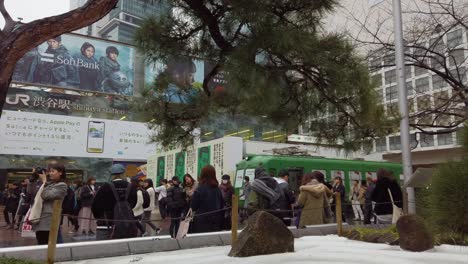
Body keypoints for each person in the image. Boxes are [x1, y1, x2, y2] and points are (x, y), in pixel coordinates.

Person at [92, 164, 138, 240]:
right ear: (123, 174)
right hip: (126, 224)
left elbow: (95, 206)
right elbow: (133, 204)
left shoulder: (105, 187)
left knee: (104, 249)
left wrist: (99, 217)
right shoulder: (131, 186)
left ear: (111, 174)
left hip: (106, 224)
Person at [33, 164, 68, 245]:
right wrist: (32, 180)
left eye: (53, 171)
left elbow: (46, 196)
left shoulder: (62, 185)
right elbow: (31, 192)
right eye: (49, 171)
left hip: (49, 221)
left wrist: (44, 182)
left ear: (60, 173)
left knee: (50, 246)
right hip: (39, 218)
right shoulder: (48, 184)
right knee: (41, 244)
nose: (50, 173)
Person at [190, 165, 224, 233]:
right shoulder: (218, 190)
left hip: (201, 222)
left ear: (203, 175)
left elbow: (193, 207)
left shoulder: (199, 190)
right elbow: (221, 205)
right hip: (216, 221)